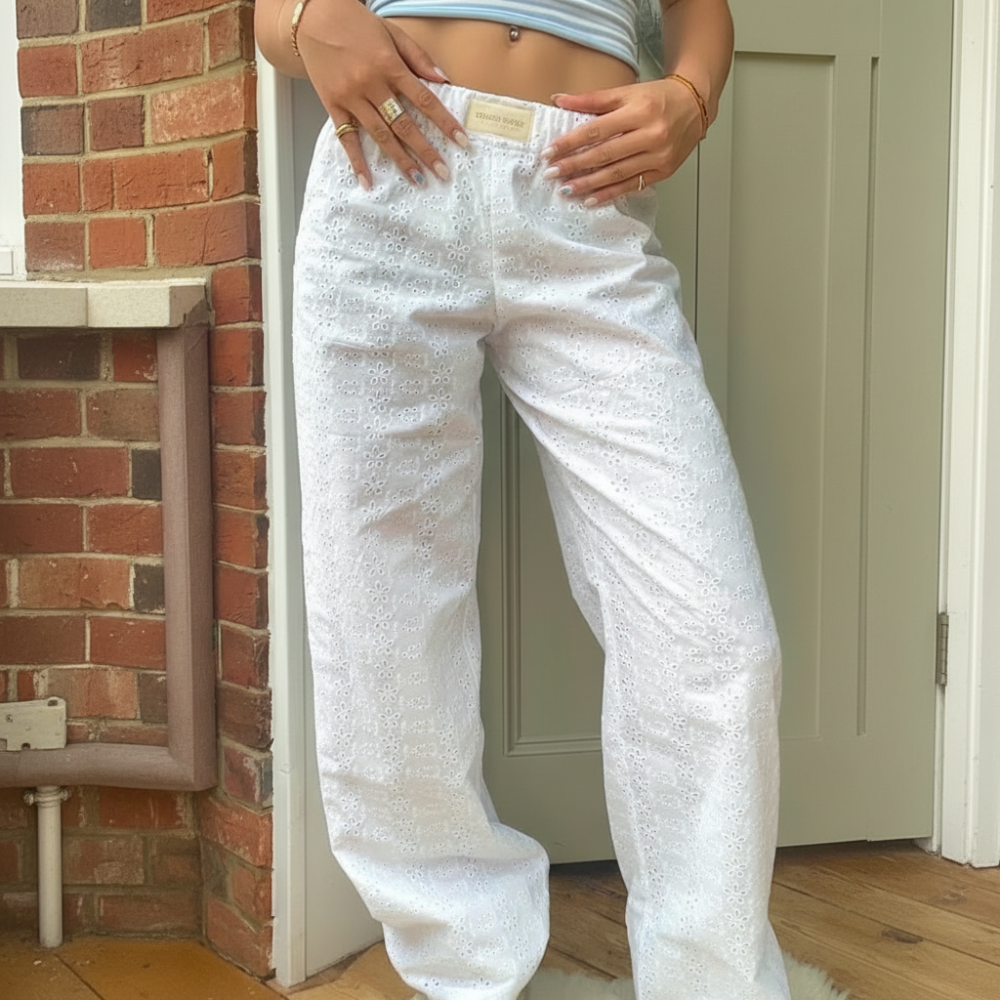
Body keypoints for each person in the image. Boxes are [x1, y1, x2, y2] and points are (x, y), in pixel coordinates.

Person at [255, 2, 792, 999]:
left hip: (582, 193)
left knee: (714, 634)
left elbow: (698, 10)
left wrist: (691, 94)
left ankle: (712, 982)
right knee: (381, 613)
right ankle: (464, 969)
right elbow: (275, 16)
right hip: (391, 171)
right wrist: (302, 20)